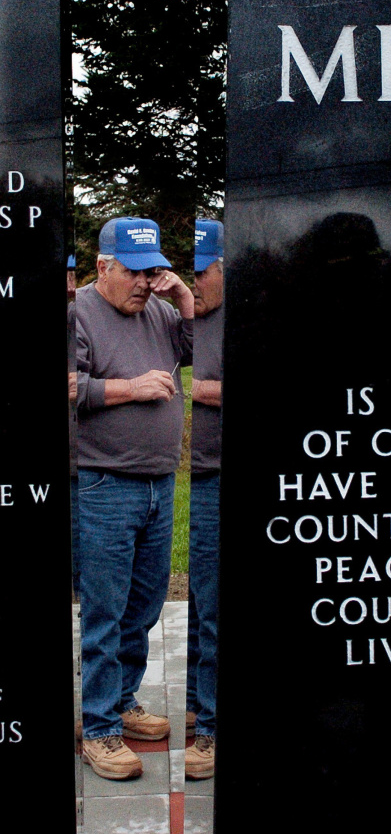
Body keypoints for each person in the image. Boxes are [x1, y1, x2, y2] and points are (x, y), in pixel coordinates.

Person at [76, 217, 193, 780]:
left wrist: (186, 298)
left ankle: (120, 701)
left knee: (143, 608)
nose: (145, 282)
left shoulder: (161, 310)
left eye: (152, 271)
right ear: (103, 266)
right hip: (104, 483)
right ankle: (97, 728)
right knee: (104, 610)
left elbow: (199, 353)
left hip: (159, 482)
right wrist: (132, 388)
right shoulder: (77, 311)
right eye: (133, 272)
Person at [185, 219, 223, 780]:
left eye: (200, 272)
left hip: (222, 475)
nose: (193, 282)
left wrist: (196, 389)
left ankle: (213, 729)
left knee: (216, 607)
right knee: (196, 599)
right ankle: (196, 702)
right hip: (196, 478)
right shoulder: (189, 318)